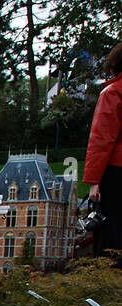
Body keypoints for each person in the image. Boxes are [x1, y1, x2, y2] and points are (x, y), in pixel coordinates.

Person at [86, 42, 122, 255]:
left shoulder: (113, 93)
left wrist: (94, 182)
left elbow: (102, 140)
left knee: (112, 233)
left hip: (117, 172)